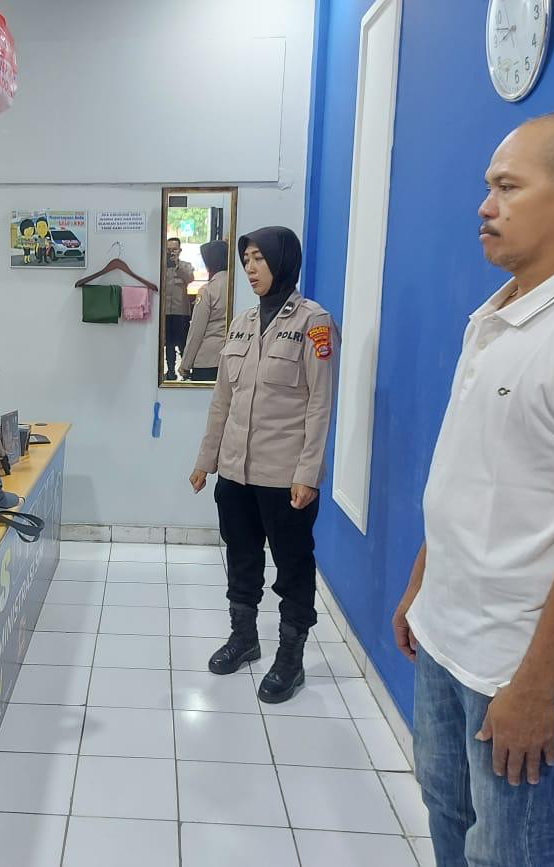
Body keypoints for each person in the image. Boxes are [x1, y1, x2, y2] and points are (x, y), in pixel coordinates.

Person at [391, 112, 554, 866]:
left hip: (517, 664)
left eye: (507, 187)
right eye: (489, 187)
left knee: (505, 851)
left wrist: (536, 689)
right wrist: (421, 585)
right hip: (446, 634)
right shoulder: (497, 315)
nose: (485, 206)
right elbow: (473, 476)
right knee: (445, 807)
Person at [189, 226, 337, 703]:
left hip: (283, 477)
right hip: (235, 473)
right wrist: (206, 460)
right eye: (246, 260)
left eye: (259, 259)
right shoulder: (241, 323)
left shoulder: (314, 323)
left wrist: (308, 474)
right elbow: (222, 400)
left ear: (283, 261)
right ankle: (244, 638)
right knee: (242, 557)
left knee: (293, 566)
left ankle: (290, 658)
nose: (250, 269)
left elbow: (320, 405)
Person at [180, 239, 230, 381]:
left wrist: (185, 364)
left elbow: (197, 330)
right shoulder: (237, 285)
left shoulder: (208, 290)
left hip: (207, 359)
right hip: (231, 358)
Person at [163, 237, 195, 380]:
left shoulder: (185, 266)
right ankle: (170, 372)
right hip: (165, 312)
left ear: (180, 250)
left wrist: (177, 265)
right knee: (168, 344)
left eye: (174, 249)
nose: (171, 252)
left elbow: (190, 278)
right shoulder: (161, 266)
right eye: (168, 249)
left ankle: (186, 371)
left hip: (181, 312)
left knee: (183, 343)